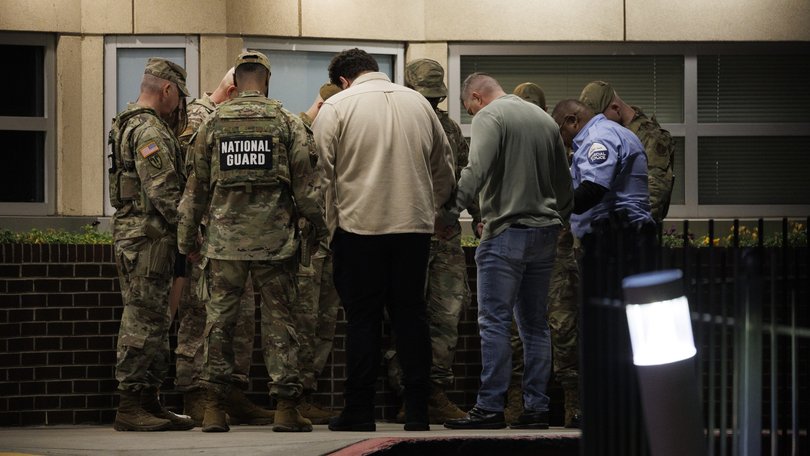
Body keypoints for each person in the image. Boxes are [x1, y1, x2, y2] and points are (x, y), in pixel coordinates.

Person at [177, 50, 327, 433]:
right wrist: (318, 228)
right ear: (266, 80)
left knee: (219, 324)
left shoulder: (213, 125)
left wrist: (187, 239)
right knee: (280, 323)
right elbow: (307, 190)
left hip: (224, 244)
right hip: (275, 243)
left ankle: (213, 408)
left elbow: (194, 190)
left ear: (236, 82)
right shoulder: (286, 121)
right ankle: (286, 409)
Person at [312, 48, 455, 432]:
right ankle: (419, 410)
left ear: (343, 79)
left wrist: (330, 229)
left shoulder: (337, 107)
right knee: (412, 316)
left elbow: (321, 176)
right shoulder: (419, 105)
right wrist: (432, 207)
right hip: (413, 228)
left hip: (359, 229)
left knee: (363, 321)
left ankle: (359, 410)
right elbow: (444, 167)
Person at [439, 73, 573, 430]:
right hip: (545, 233)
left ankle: (490, 407)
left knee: (494, 321)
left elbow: (476, 169)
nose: (470, 114)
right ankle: (537, 408)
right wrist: (561, 219)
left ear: (477, 97)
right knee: (534, 325)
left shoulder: (490, 116)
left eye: (469, 108)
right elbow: (564, 182)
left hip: (507, 233)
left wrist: (450, 213)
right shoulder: (544, 119)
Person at [173, 67, 275, 426]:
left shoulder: (228, 119)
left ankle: (231, 392)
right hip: (207, 238)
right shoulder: (200, 117)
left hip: (236, 239)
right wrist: (190, 235)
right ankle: (198, 393)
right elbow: (191, 180)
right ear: (233, 89)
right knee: (202, 317)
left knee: (241, 318)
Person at [107, 57, 195, 432]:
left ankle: (148, 401)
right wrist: (191, 232)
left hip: (145, 238)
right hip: (147, 239)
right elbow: (164, 191)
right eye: (179, 97)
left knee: (156, 320)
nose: (179, 106)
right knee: (142, 320)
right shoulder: (149, 131)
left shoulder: (127, 122)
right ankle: (131, 405)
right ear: (167, 89)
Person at [385, 58, 471, 425]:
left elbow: (465, 175)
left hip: (445, 235)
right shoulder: (393, 121)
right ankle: (408, 392)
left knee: (447, 314)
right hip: (406, 231)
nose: (433, 105)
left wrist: (462, 215)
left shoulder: (450, 127)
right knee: (403, 314)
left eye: (437, 98)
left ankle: (435, 390)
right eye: (427, 97)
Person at [503, 82, 582, 428]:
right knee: (521, 331)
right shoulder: (512, 152)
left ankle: (571, 403)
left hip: (554, 252)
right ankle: (522, 402)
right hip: (530, 250)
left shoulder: (564, 154)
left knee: (559, 328)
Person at [294, 82, 343, 424]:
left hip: (333, 241)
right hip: (307, 244)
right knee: (303, 319)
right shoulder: (296, 131)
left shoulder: (341, 137)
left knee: (325, 320)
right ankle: (294, 395)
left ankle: (307, 393)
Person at [579, 81, 676, 224]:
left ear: (616, 108)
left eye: (600, 119)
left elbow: (652, 195)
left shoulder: (651, 138)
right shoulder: (608, 136)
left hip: (630, 234)